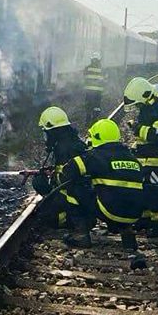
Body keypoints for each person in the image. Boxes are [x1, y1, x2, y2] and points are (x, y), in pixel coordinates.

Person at [74, 118, 151, 270]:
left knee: (78, 189)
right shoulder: (133, 159)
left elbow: (67, 172)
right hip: (134, 214)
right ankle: (128, 238)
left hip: (110, 211)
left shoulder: (94, 156)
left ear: (97, 137)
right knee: (119, 193)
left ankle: (81, 235)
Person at [30, 105, 93, 247]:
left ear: (52, 131)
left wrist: (46, 184)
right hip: (87, 204)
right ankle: (78, 225)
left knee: (45, 214)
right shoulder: (71, 143)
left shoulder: (65, 149)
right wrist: (52, 171)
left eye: (46, 132)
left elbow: (68, 179)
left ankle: (79, 233)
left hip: (78, 202)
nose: (45, 136)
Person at [123, 76, 158, 187]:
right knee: (146, 192)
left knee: (154, 193)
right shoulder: (147, 110)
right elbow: (143, 139)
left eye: (138, 103)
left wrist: (137, 128)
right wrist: (133, 149)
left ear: (145, 96)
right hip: (150, 161)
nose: (137, 106)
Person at [82, 55, 104, 124]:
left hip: (89, 91)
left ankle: (87, 121)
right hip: (98, 91)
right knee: (96, 106)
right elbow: (104, 79)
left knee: (88, 105)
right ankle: (94, 120)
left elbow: (84, 77)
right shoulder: (102, 69)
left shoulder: (87, 68)